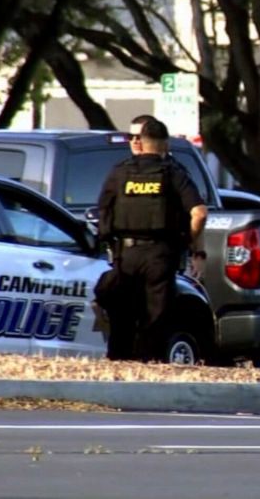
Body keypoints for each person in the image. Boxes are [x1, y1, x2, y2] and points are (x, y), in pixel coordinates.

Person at [96, 118, 208, 361]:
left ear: (143, 142)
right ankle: (149, 364)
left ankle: (119, 363)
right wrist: (190, 243)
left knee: (122, 317)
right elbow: (199, 213)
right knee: (156, 318)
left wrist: (108, 243)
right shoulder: (173, 174)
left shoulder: (119, 172)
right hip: (160, 255)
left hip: (125, 255)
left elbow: (103, 212)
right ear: (165, 144)